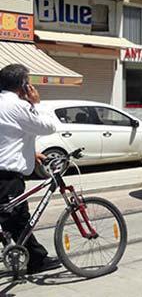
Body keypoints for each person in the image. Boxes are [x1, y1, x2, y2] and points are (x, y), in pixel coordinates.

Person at [0, 64, 61, 274]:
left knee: (18, 220)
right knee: (15, 219)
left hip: (6, 176)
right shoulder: (19, 106)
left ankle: (35, 259)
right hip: (6, 177)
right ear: (24, 86)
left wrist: (30, 154)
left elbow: (8, 134)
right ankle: (36, 259)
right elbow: (48, 127)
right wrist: (36, 103)